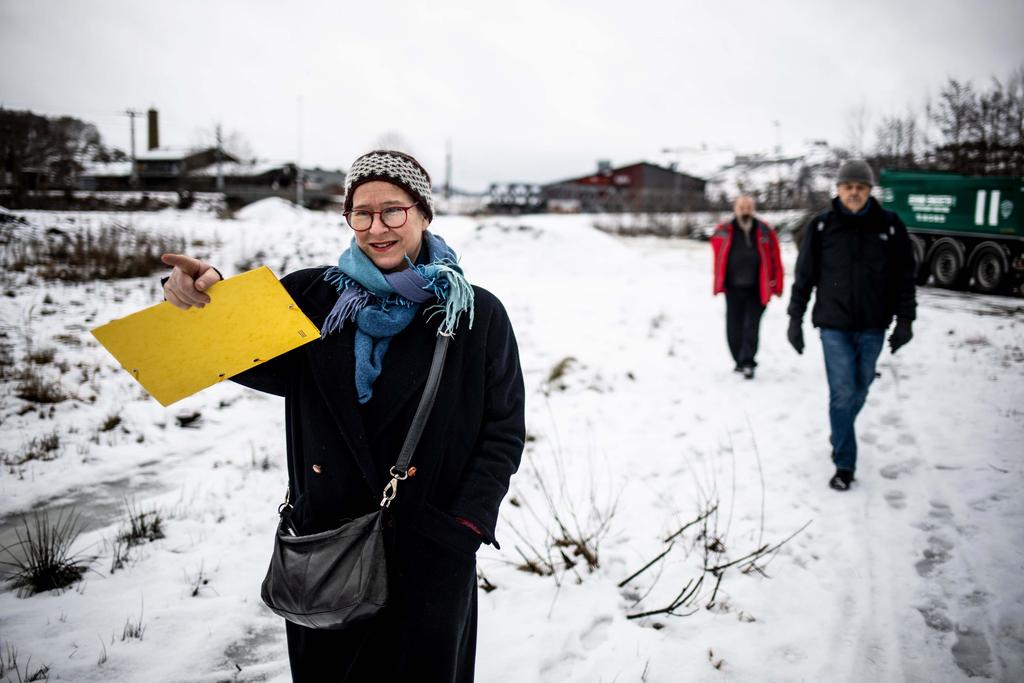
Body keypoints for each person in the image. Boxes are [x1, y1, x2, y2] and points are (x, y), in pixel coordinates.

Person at [161, 150, 526, 682]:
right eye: (361, 213)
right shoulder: (311, 296)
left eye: (393, 211)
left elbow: (503, 429)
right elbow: (240, 355)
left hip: (428, 552)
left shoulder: (474, 313)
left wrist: (465, 525)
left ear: (423, 213)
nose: (376, 227)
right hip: (327, 551)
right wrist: (207, 297)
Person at [786, 159, 916, 492]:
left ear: (870, 190)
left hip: (874, 324)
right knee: (843, 393)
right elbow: (805, 277)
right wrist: (795, 319)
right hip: (833, 324)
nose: (854, 192)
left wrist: (905, 321)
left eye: (860, 186)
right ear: (839, 189)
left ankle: (839, 427)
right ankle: (844, 464)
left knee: (860, 387)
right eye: (848, 186)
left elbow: (905, 276)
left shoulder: (889, 226)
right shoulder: (822, 227)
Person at [710, 195, 784, 379]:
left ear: (754, 208)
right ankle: (738, 360)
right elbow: (716, 248)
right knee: (733, 328)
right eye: (741, 207)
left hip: (757, 288)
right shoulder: (725, 230)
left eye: (748, 207)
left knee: (751, 326)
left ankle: (748, 362)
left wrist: (778, 284)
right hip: (733, 287)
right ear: (735, 208)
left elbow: (775, 258)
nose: (745, 210)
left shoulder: (765, 230)